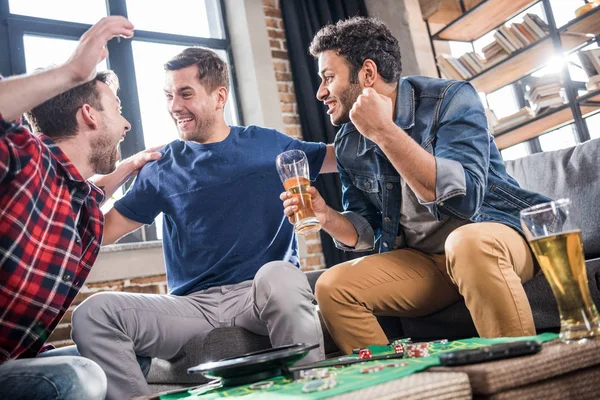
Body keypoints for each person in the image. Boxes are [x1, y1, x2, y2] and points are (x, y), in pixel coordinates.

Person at [70, 46, 337, 399]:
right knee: (92, 314)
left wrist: (383, 128)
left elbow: (341, 158)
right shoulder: (160, 167)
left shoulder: (265, 145)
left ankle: (312, 391)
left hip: (258, 295)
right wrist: (121, 171)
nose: (174, 106)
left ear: (218, 96)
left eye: (185, 93)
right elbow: (96, 234)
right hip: (191, 306)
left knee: (282, 274)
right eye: (168, 95)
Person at [280, 16, 552, 355]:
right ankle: (406, 386)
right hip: (426, 263)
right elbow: (368, 231)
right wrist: (326, 215)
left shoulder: (449, 99)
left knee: (465, 243)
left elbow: (462, 200)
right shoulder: (348, 139)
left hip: (493, 237)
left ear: (367, 74)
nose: (321, 92)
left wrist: (383, 131)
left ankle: (519, 380)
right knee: (333, 286)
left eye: (329, 78)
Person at [0, 16, 161, 400]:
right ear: (89, 115)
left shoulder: (78, 201)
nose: (126, 124)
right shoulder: (24, 158)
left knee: (125, 356)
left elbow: (82, 191)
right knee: (76, 378)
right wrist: (73, 71)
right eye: (117, 108)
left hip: (13, 361)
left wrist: (127, 167)